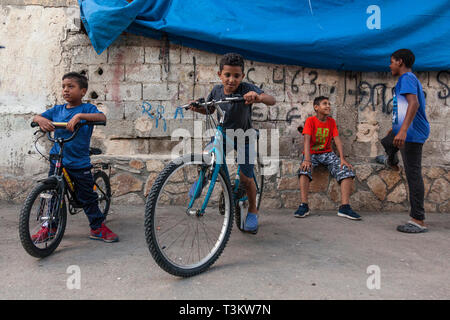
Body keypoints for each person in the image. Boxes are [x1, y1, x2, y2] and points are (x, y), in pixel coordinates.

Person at [189, 52, 276, 234]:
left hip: (245, 137)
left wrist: (258, 97)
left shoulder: (246, 89)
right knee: (208, 156)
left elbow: (271, 100)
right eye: (227, 75)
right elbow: (210, 109)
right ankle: (202, 179)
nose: (231, 80)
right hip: (223, 136)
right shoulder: (216, 91)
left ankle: (253, 209)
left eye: (236, 75)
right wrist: (198, 108)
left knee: (246, 178)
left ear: (242, 77)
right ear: (219, 74)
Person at [32, 72, 119, 242]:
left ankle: (97, 227)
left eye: (71, 86)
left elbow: (102, 117)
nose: (66, 90)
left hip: (79, 162)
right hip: (57, 159)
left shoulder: (86, 109)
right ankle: (49, 227)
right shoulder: (57, 110)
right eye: (63, 86)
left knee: (87, 197)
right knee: (53, 194)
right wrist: (40, 120)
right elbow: (37, 117)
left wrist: (79, 116)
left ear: (83, 91)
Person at [376, 49, 430, 233]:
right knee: (387, 141)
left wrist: (404, 130)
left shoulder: (407, 78)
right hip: (407, 129)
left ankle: (418, 220)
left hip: (413, 134)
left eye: (391, 61)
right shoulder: (407, 79)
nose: (389, 65)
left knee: (413, 173)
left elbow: (413, 104)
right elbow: (406, 106)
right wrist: (397, 126)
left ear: (400, 62)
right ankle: (391, 159)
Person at [295, 96, 361, 220]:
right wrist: (307, 159)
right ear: (316, 107)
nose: (328, 106)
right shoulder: (310, 121)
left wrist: (342, 158)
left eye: (329, 104)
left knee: (346, 170)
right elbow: (307, 140)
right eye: (324, 104)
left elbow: (337, 140)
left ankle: (344, 207)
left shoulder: (331, 122)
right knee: (304, 170)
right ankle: (304, 205)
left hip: (327, 153)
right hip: (312, 153)